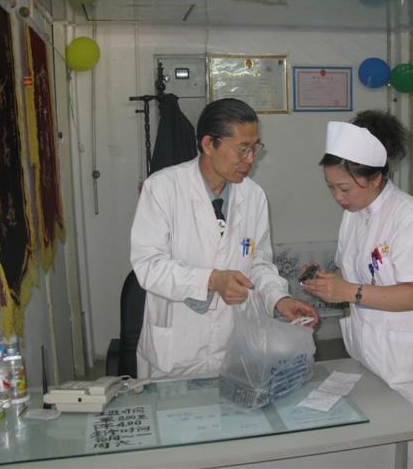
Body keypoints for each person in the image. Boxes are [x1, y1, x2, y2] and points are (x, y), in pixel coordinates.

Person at [302, 110, 413, 467]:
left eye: (344, 188)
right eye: (330, 187)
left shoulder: (411, 218)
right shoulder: (353, 214)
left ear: (374, 178)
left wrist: (350, 292)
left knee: (408, 454)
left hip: (404, 361)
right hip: (366, 349)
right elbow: (350, 272)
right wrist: (325, 282)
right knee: (375, 450)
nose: (337, 197)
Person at [130, 98, 319, 379]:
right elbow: (148, 266)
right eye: (242, 149)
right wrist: (212, 280)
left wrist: (279, 299)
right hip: (176, 349)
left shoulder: (253, 196)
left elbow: (259, 263)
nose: (250, 159)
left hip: (234, 345)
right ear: (209, 144)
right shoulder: (162, 188)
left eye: (255, 148)